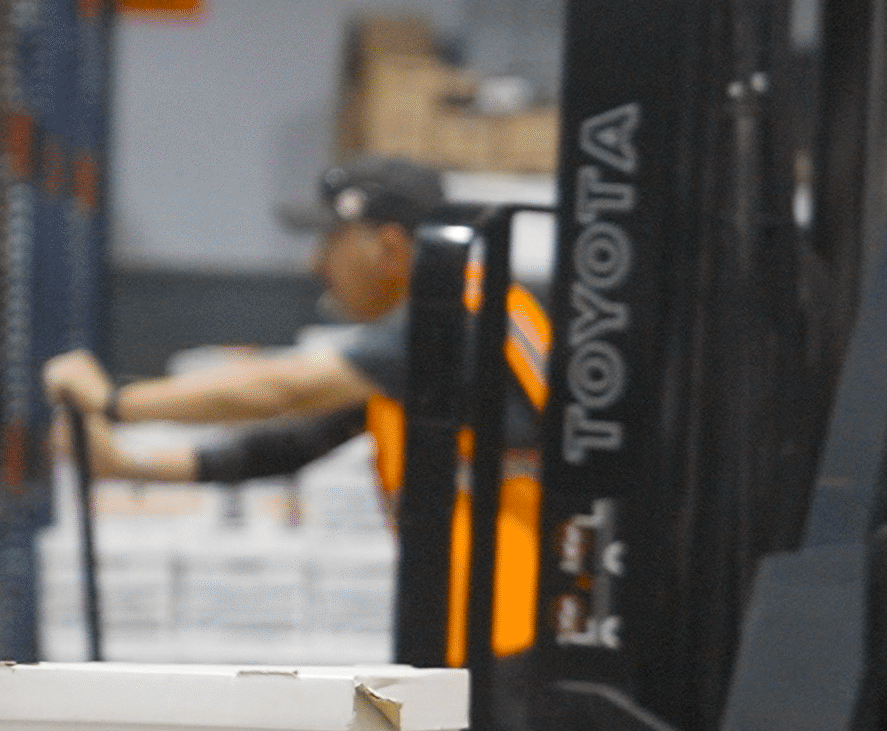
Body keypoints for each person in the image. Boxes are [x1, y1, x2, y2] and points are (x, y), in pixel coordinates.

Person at [41, 154, 550, 658]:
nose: (315, 264)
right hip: (484, 628)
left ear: (389, 247)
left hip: (513, 637)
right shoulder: (442, 338)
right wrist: (125, 466)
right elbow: (288, 446)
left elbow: (285, 391)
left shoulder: (458, 314)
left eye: (330, 241)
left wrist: (114, 403)